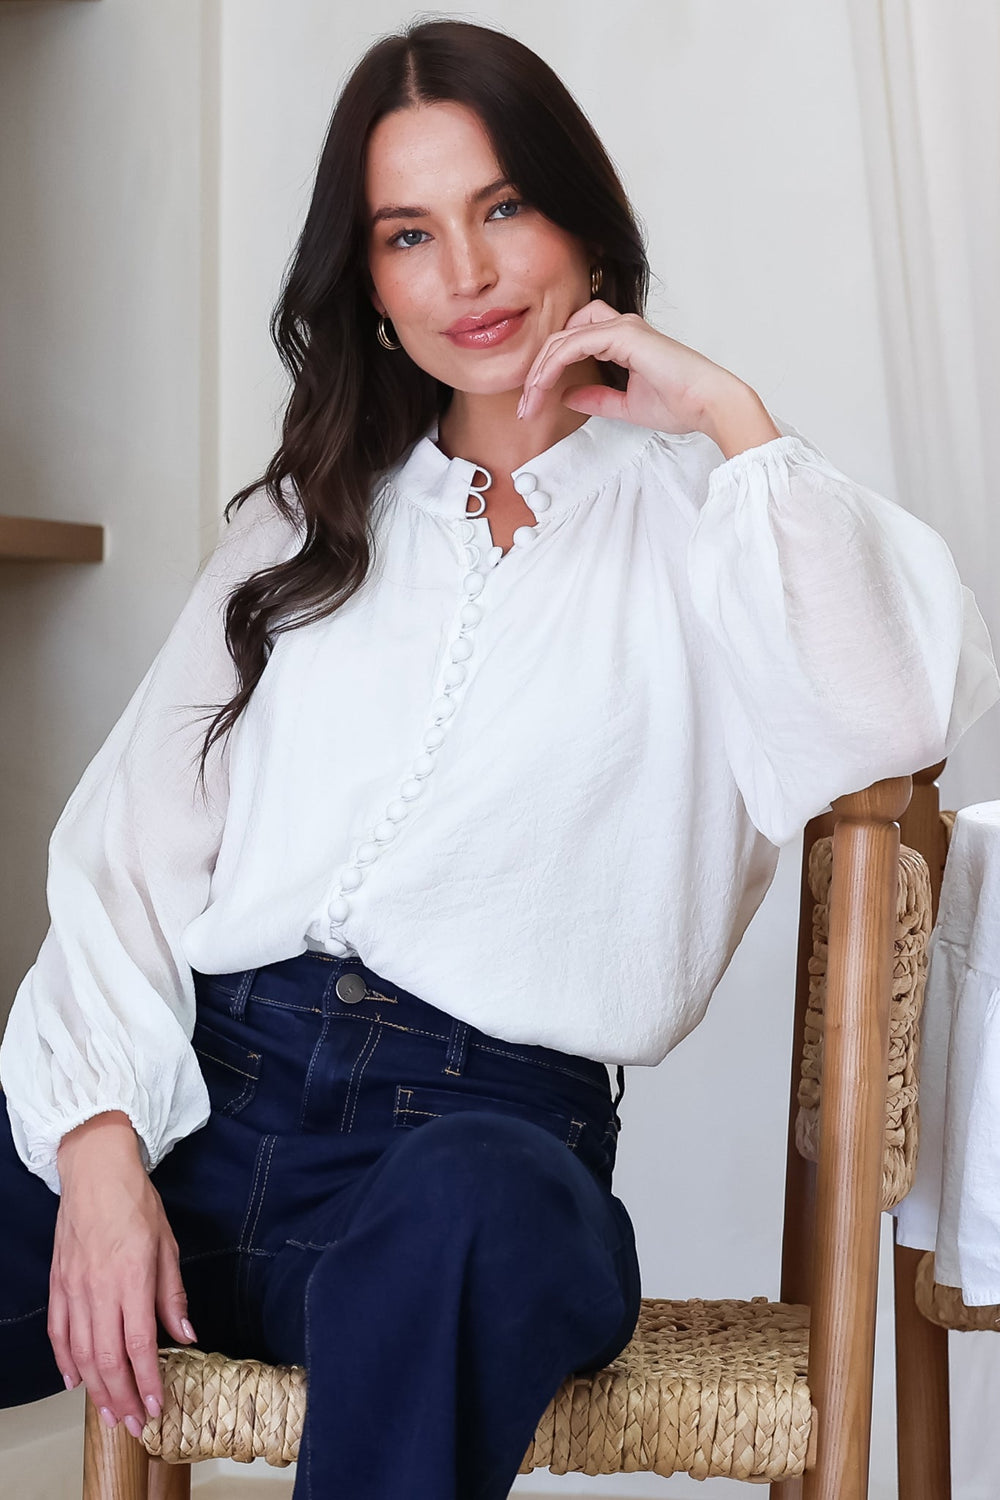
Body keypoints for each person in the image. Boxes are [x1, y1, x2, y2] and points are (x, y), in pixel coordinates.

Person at [1, 16, 998, 1500]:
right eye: (408, 234)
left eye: (504, 207)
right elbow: (126, 859)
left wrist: (726, 419)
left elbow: (895, 709)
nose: (465, 273)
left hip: (476, 1154)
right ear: (370, 283)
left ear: (584, 221)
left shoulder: (716, 525)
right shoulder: (300, 525)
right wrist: (96, 1158)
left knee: (471, 1215)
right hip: (193, 1111)